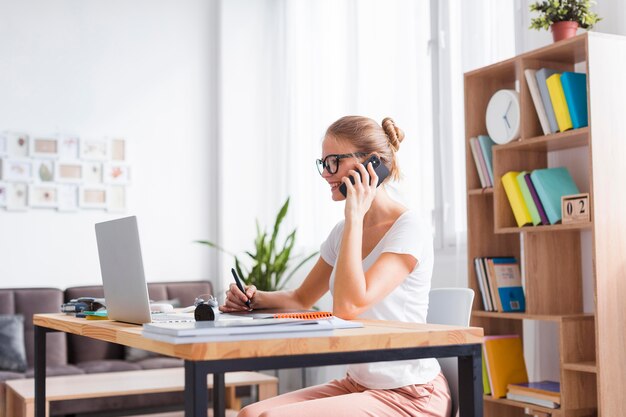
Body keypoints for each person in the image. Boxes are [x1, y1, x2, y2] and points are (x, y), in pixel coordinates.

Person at [221, 116, 451, 417]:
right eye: (323, 163)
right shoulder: (343, 232)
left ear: (372, 165)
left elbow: (348, 306)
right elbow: (301, 299)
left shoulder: (409, 228)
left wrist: (355, 215)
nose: (325, 173)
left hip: (410, 393)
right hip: (358, 385)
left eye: (333, 162)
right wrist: (253, 299)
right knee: (249, 414)